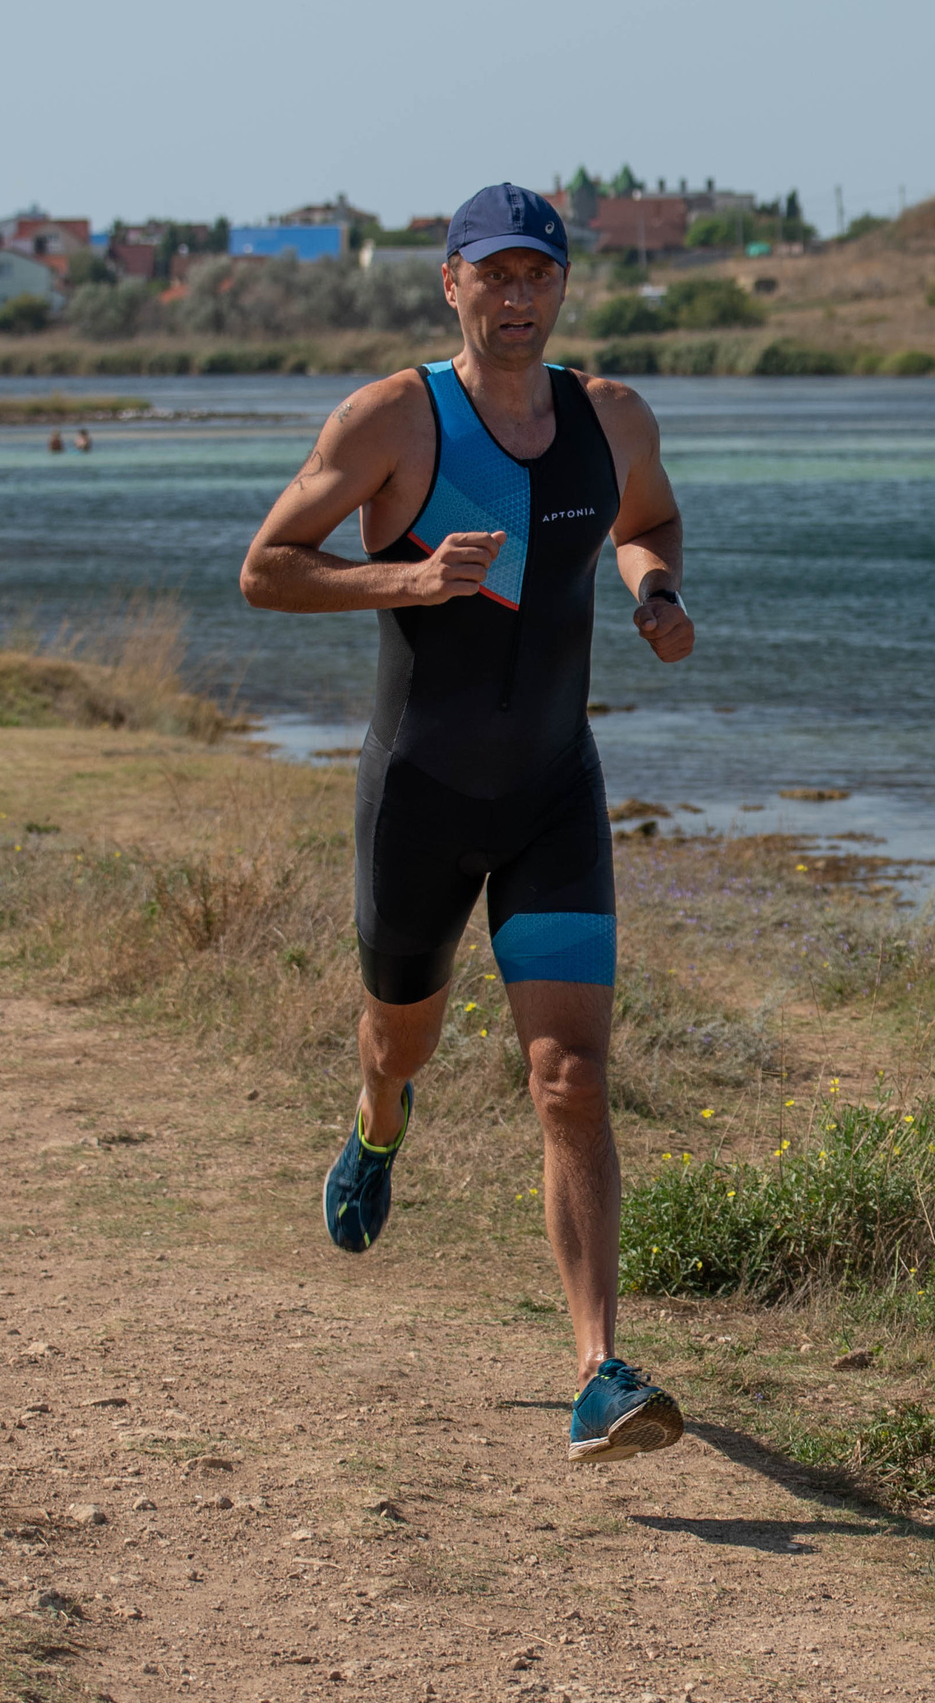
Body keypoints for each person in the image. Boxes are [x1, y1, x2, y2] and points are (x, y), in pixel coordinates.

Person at [240, 183, 696, 1465]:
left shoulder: (612, 419)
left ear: (561, 286)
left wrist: (654, 586)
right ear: (449, 282)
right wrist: (410, 575)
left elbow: (648, 519)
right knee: (402, 1041)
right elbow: (268, 566)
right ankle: (379, 1124)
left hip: (556, 790)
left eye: (535, 274)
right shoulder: (394, 417)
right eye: (489, 274)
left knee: (573, 1078)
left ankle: (599, 1368)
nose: (514, 295)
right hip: (421, 799)